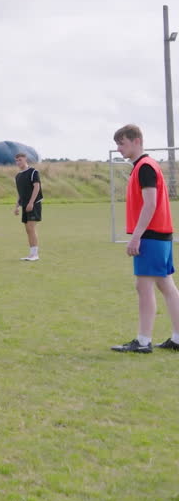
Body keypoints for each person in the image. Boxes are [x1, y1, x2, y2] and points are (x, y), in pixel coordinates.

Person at [110, 124, 179, 353]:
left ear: (137, 141)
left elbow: (150, 204)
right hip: (161, 235)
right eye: (118, 144)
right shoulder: (144, 166)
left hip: (151, 236)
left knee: (144, 286)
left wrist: (136, 237)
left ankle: (142, 341)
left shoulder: (145, 167)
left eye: (122, 143)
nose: (119, 149)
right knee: (166, 286)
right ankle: (177, 338)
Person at [13, 152, 43, 261]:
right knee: (28, 229)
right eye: (16, 160)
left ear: (25, 159)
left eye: (20, 160)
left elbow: (36, 187)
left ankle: (35, 255)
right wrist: (17, 206)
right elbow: (20, 193)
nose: (18, 162)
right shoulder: (18, 176)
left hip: (34, 204)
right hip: (25, 205)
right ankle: (31, 254)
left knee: (31, 227)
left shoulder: (33, 172)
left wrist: (31, 202)